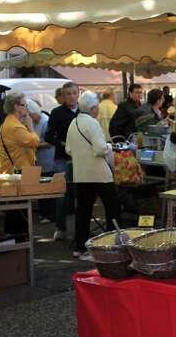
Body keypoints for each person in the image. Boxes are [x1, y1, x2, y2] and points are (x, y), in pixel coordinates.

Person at [66, 91, 120, 260]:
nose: (97, 110)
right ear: (92, 108)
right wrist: (109, 148)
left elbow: (68, 149)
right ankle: (113, 244)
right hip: (99, 174)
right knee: (112, 208)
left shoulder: (73, 123)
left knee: (82, 211)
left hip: (81, 173)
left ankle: (80, 247)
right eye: (96, 107)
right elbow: (99, 149)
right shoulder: (92, 123)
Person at [45, 81, 80, 242]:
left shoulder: (83, 112)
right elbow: (48, 135)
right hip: (62, 158)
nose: (71, 96)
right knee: (62, 193)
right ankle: (60, 228)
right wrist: (61, 143)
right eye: (68, 94)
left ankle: (80, 229)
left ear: (78, 94)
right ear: (63, 96)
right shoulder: (57, 112)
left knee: (80, 193)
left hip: (81, 159)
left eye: (74, 93)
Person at [0, 92, 40, 173]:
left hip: (13, 171)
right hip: (17, 173)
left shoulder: (10, 122)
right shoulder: (15, 127)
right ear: (16, 107)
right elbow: (34, 142)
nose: (27, 108)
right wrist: (30, 126)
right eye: (24, 105)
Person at [26, 100, 54, 174]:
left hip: (47, 159)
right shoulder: (33, 122)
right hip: (38, 160)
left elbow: (51, 142)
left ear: (33, 112)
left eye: (29, 115)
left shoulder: (46, 121)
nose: (28, 118)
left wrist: (36, 145)